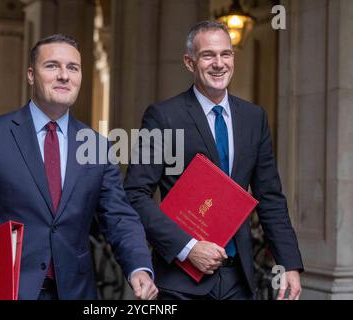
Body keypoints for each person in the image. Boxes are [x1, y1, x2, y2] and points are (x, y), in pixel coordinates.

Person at [0, 34, 158, 300]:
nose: (64, 75)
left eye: (73, 68)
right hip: (5, 291)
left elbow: (119, 217)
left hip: (76, 293)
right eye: (52, 66)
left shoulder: (97, 146)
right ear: (31, 75)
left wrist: (138, 267)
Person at [124, 20, 304, 300]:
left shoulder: (254, 118)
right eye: (208, 55)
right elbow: (135, 194)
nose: (219, 63)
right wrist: (188, 247)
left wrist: (289, 263)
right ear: (189, 62)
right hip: (180, 280)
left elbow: (270, 196)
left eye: (226, 54)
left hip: (239, 278)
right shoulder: (163, 117)